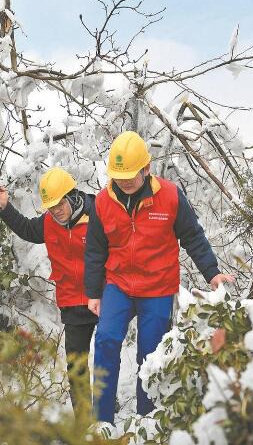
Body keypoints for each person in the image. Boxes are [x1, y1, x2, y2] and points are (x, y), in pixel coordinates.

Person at [84, 131, 235, 423]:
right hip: (119, 285)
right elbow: (94, 250)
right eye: (119, 175)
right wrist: (93, 292)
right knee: (105, 340)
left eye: (130, 174)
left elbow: (193, 237)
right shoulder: (103, 202)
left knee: (150, 354)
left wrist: (212, 273)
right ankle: (101, 422)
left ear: (147, 169)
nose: (125, 181)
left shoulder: (170, 196)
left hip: (158, 287)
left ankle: (147, 420)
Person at [0, 167, 97, 411]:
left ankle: (107, 415)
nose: (56, 211)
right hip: (72, 301)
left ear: (72, 196)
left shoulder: (98, 215)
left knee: (107, 358)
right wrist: (5, 207)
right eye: (50, 207)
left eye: (59, 204)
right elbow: (28, 229)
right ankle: (84, 426)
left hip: (102, 297)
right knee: (77, 367)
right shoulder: (50, 221)